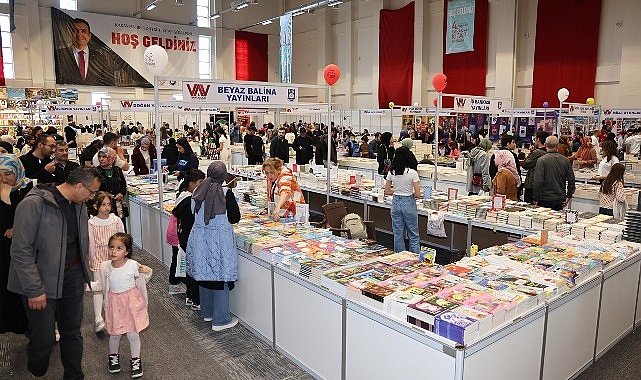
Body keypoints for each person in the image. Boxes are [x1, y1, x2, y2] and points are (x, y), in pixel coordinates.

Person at [8, 166, 102, 378]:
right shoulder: (33, 204)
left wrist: (83, 275)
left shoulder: (79, 205)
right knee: (44, 337)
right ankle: (36, 369)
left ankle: (74, 375)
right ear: (79, 186)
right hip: (41, 281)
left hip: (72, 277)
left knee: (72, 333)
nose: (92, 197)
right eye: (92, 192)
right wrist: (34, 289)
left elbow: (80, 242)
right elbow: (21, 251)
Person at [186, 162, 241, 331]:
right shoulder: (226, 193)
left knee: (205, 273)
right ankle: (221, 319)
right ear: (224, 176)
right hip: (219, 241)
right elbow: (235, 218)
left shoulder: (198, 191)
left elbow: (192, 211)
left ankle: (207, 311)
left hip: (201, 239)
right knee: (220, 275)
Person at [89, 233, 152, 377]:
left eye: (119, 248)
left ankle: (135, 360)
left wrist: (149, 271)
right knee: (115, 334)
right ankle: (113, 357)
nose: (113, 251)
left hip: (131, 305)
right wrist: (87, 286)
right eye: (111, 247)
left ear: (127, 251)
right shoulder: (105, 267)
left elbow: (143, 279)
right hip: (114, 305)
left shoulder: (132, 265)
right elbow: (100, 285)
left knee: (133, 333)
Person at [0, 154, 32, 335]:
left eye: (8, 174)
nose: (3, 180)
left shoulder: (26, 189)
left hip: (21, 251)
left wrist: (6, 199)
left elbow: (29, 220)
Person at [87, 192, 125, 336]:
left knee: (114, 287)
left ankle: (112, 316)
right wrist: (92, 259)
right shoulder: (91, 223)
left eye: (109, 204)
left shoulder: (115, 220)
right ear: (96, 206)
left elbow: (124, 238)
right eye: (103, 204)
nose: (107, 207)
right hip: (99, 259)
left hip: (114, 259)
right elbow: (90, 243)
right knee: (98, 288)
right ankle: (98, 318)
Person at [172, 169, 206, 311]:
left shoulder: (183, 197)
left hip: (185, 237)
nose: (202, 185)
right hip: (191, 238)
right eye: (200, 183)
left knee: (190, 268)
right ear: (192, 184)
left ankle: (191, 297)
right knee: (195, 269)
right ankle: (196, 299)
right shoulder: (190, 200)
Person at [54, 18, 113, 86]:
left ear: (89, 36)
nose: (79, 34)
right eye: (75, 31)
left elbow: (109, 81)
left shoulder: (100, 57)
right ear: (69, 34)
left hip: (93, 95)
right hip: (69, 95)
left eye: (83, 31)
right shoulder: (60, 55)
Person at [384, 148, 421, 254]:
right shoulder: (412, 172)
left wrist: (396, 189)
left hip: (395, 202)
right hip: (408, 202)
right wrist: (409, 192)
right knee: (413, 234)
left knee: (398, 233)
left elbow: (387, 191)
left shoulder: (392, 171)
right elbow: (418, 194)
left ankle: (399, 258)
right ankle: (414, 259)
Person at [532, 136, 576, 211]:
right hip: (560, 198)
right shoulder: (565, 160)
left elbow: (538, 181)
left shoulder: (541, 160)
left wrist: (535, 198)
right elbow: (571, 179)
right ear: (557, 145)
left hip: (545, 198)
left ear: (545, 145)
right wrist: (569, 195)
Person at [95, 148, 128, 229]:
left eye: (104, 157)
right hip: (103, 207)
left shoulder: (117, 170)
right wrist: (104, 195)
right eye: (100, 157)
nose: (101, 159)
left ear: (111, 157)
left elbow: (123, 185)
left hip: (117, 206)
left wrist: (121, 194)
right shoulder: (96, 172)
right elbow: (94, 189)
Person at [522, 131, 549, 204]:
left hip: (532, 184)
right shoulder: (548, 153)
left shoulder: (536, 153)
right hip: (544, 185)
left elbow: (525, 165)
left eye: (535, 138)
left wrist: (531, 153)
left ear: (538, 140)